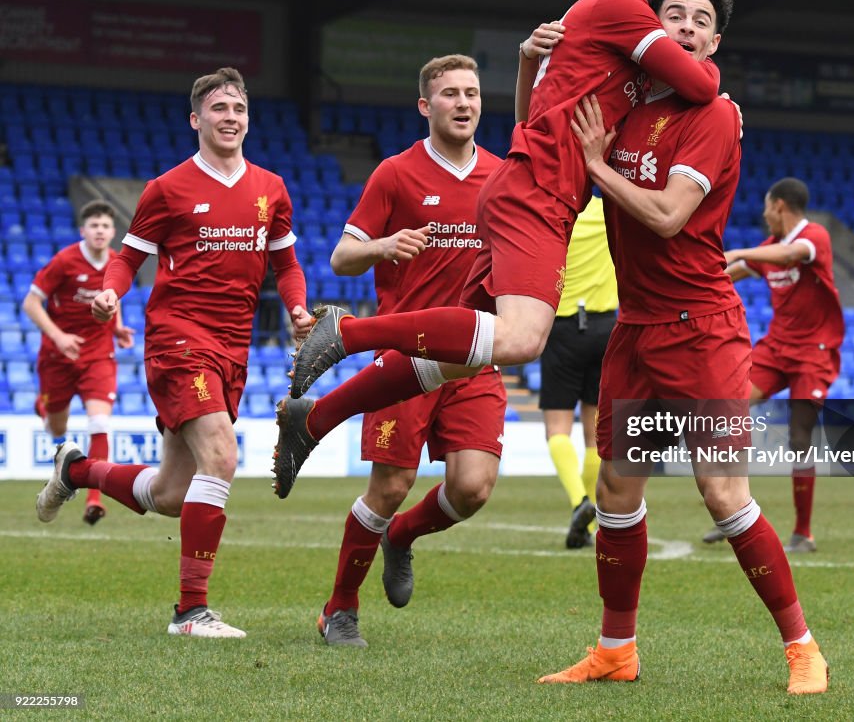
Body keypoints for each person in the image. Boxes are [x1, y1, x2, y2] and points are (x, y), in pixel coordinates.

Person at [274, 0, 721, 496]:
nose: (681, 26)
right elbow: (705, 86)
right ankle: (347, 332)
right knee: (521, 340)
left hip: (529, 188)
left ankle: (314, 419)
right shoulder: (619, 10)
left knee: (459, 356)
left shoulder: (595, 32)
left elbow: (528, 118)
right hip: (537, 193)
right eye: (676, 14)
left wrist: (528, 64)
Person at [535, 0, 828, 694]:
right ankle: (615, 649)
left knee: (722, 490)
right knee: (617, 489)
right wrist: (528, 66)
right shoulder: (628, 104)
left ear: (715, 38)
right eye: (674, 14)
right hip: (635, 328)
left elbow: (666, 215)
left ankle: (802, 646)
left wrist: (600, 167)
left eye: (701, 18)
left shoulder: (715, 113)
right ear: (652, 31)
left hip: (702, 330)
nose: (688, 25)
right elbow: (542, 139)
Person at [35, 67, 313, 638]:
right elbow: (127, 257)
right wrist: (112, 290)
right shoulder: (166, 188)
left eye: (238, 108)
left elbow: (285, 264)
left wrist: (297, 309)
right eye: (218, 108)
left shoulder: (271, 189)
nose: (230, 117)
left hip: (232, 347)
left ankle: (77, 469)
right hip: (178, 337)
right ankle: (190, 612)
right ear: (196, 119)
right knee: (222, 456)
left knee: (171, 495)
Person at [304, 55, 507, 648]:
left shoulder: (501, 176)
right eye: (450, 94)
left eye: (471, 92)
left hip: (475, 355)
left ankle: (403, 537)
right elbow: (342, 258)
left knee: (472, 489)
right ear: (426, 106)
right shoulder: (395, 173)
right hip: (405, 362)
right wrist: (384, 244)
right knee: (389, 487)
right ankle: (339, 609)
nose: (464, 103)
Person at [702, 178, 844, 552]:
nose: (764, 215)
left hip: (814, 351)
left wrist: (737, 252)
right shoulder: (769, 248)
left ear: (779, 205)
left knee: (800, 438)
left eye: (766, 208)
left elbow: (788, 255)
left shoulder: (814, 237)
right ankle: (733, 511)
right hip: (777, 348)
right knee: (728, 409)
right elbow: (730, 274)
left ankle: (803, 532)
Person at [23, 200, 134, 524]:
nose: (100, 231)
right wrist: (58, 336)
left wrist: (117, 328)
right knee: (55, 426)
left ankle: (95, 498)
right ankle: (44, 410)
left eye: (105, 226)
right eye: (94, 225)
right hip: (58, 355)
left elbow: (113, 299)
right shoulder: (65, 261)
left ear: (113, 232)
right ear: (83, 230)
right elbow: (31, 303)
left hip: (98, 354)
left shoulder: (116, 262)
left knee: (99, 423)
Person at [538, 196, 616, 549]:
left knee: (557, 429)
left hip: (562, 326)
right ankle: (589, 518)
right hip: (606, 327)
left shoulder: (552, 212)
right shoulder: (611, 209)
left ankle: (578, 502)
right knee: (594, 434)